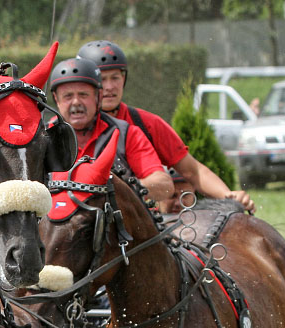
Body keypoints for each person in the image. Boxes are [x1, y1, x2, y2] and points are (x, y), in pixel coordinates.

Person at [77, 40, 256, 213]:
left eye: (115, 78)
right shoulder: (61, 129)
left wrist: (229, 196)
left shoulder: (147, 124)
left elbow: (192, 171)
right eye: (102, 78)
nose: (109, 87)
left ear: (124, 79)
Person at [48, 57, 173, 202]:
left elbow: (165, 185)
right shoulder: (42, 138)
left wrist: (112, 189)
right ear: (56, 99)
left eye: (83, 94)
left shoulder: (126, 134)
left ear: (98, 97)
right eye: (68, 96)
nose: (76, 102)